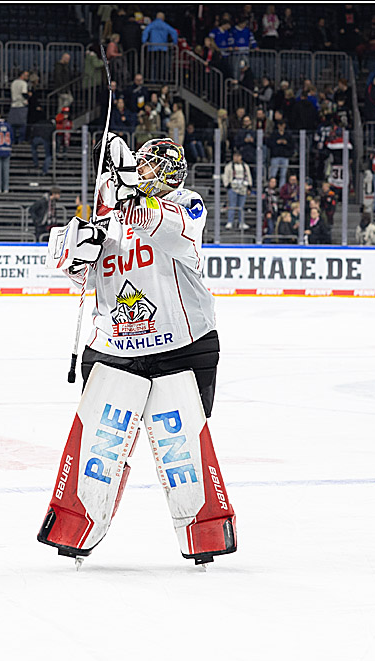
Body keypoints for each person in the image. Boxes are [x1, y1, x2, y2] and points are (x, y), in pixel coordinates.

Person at [42, 134, 233, 562]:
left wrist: (127, 192)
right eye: (138, 165)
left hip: (182, 346)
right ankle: (75, 527)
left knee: (181, 448)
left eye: (149, 165)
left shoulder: (187, 204)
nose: (142, 171)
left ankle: (204, 535)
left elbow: (163, 225)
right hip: (114, 348)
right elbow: (81, 280)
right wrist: (79, 254)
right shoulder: (109, 219)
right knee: (99, 447)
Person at [221, 150, 252, 230]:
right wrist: (227, 185)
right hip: (233, 188)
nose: (236, 158)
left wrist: (249, 187)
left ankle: (241, 222)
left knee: (241, 207)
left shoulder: (245, 166)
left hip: (243, 188)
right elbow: (225, 176)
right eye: (235, 156)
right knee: (232, 205)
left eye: (238, 156)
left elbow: (248, 176)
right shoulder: (229, 166)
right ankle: (230, 222)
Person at [9, 70, 30, 144]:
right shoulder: (23, 83)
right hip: (21, 105)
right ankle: (21, 140)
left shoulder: (14, 82)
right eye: (26, 75)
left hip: (13, 105)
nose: (27, 77)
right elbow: (24, 93)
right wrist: (29, 95)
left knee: (13, 125)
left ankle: (13, 140)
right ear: (22, 75)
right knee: (22, 125)